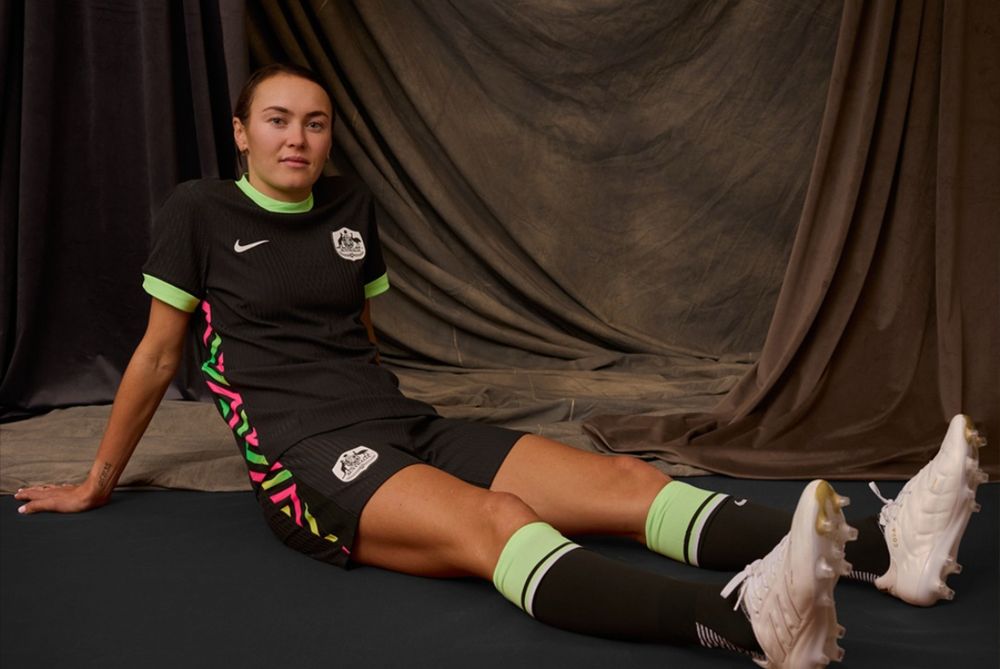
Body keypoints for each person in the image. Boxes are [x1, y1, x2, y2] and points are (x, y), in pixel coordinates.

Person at [14, 63, 989, 668]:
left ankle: (888, 555)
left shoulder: (352, 209)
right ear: (241, 132)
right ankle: (750, 625)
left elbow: (355, 337)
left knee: (622, 479)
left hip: (397, 420)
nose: (296, 138)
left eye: (312, 122)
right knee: (498, 525)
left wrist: (415, 436)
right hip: (309, 459)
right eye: (276, 119)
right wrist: (101, 481)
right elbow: (153, 355)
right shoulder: (198, 214)